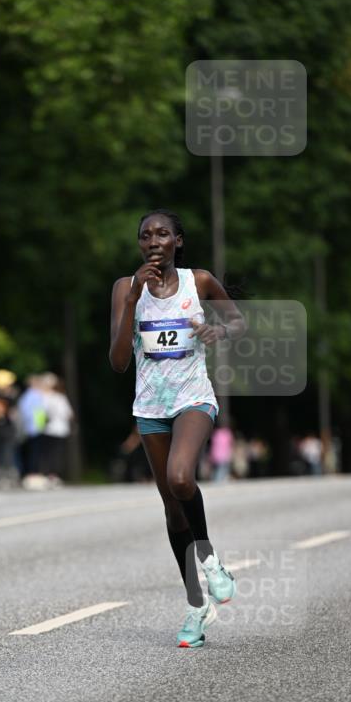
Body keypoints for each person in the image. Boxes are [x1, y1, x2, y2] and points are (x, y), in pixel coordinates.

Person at [109, 209, 245, 648]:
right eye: (146, 235)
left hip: (193, 399)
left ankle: (211, 562)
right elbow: (117, 361)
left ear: (178, 242)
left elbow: (238, 320)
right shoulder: (123, 289)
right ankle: (195, 606)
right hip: (149, 407)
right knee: (172, 509)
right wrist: (132, 300)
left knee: (181, 478)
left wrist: (216, 331)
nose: (154, 241)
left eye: (163, 234)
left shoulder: (198, 281)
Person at [41, 373, 74, 485]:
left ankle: (47, 474)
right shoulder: (60, 398)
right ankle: (54, 475)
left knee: (48, 453)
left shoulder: (44, 397)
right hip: (60, 429)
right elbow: (69, 414)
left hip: (48, 429)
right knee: (57, 454)